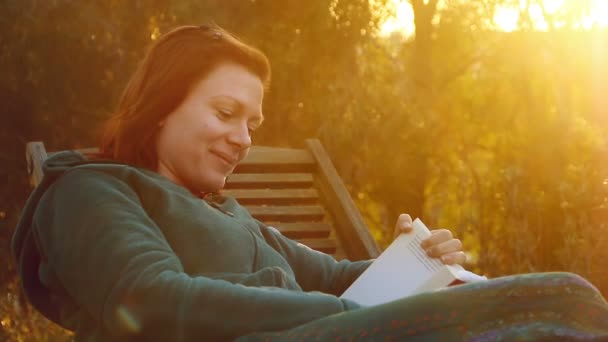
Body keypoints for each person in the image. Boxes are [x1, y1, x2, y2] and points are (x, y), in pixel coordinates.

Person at [11, 24, 608, 341]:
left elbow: (336, 277)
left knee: (558, 301)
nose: (244, 138)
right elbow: (150, 300)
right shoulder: (91, 190)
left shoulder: (224, 210)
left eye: (253, 123)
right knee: (559, 298)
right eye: (225, 114)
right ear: (160, 107)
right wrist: (337, 312)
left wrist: (410, 263)